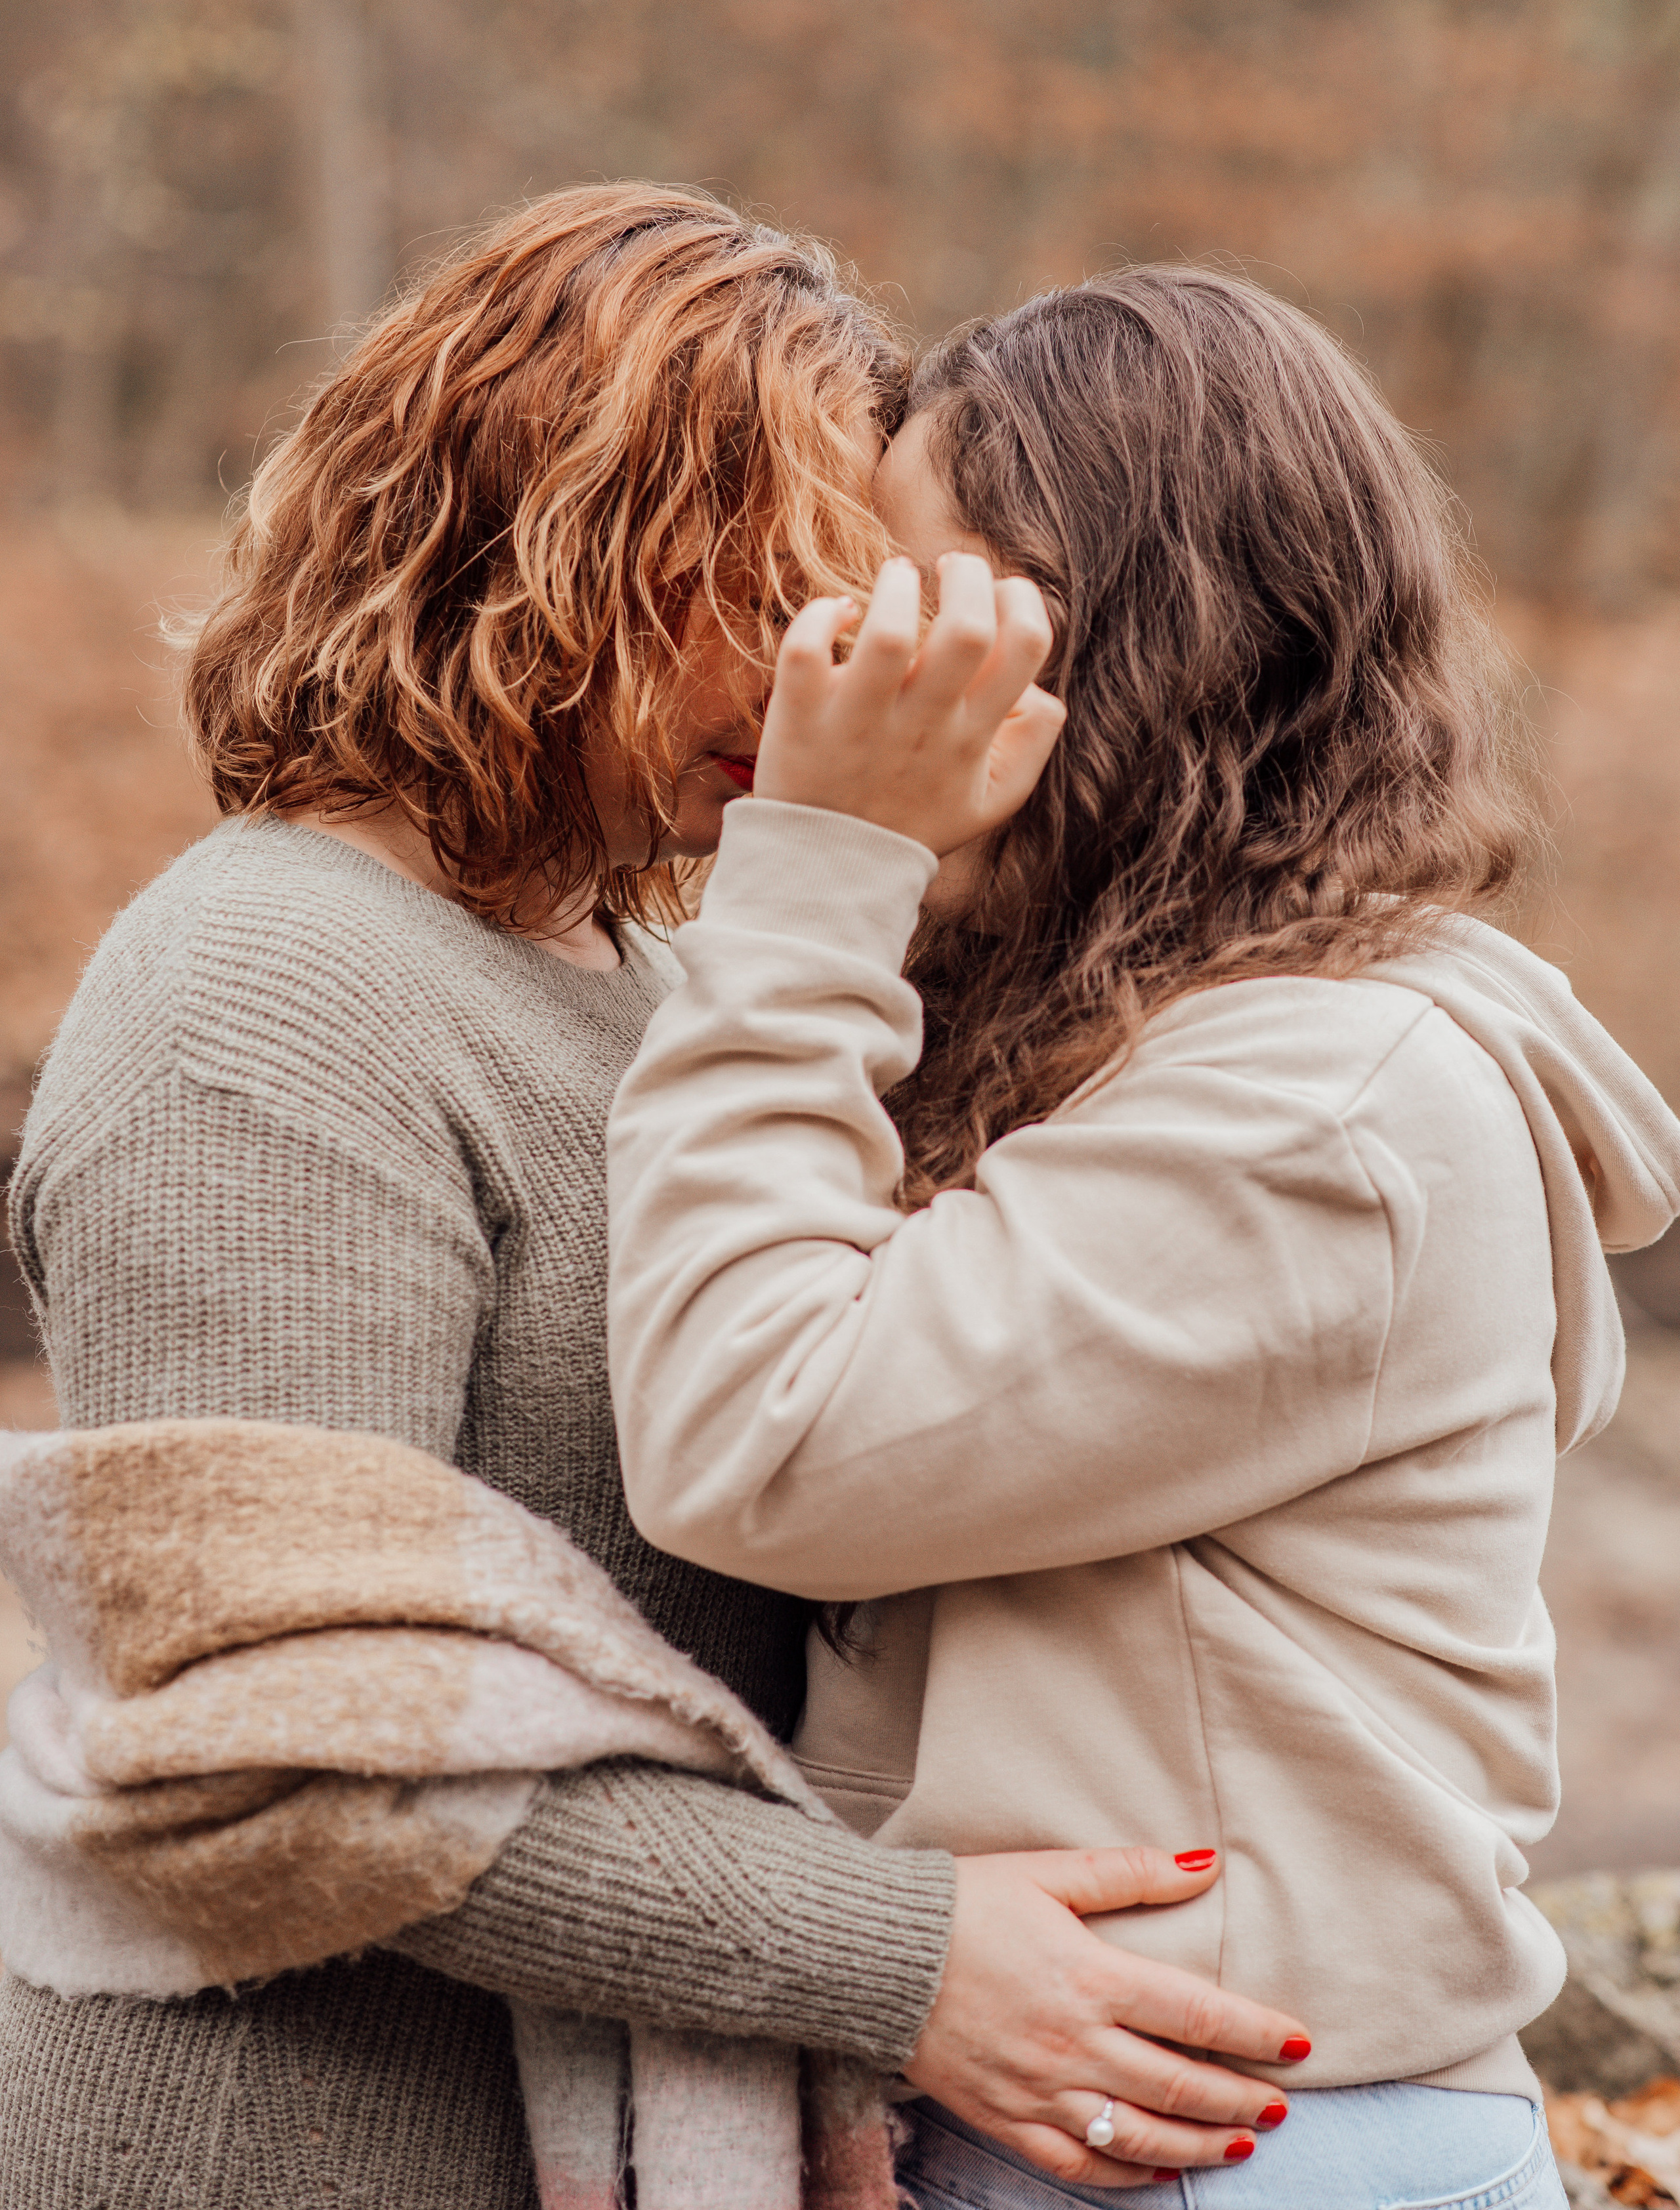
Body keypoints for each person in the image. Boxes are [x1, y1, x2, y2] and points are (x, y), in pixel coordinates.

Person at [0, 203, 1307, 2208]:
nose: (821, 662)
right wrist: (906, 1961)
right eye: (762, 585)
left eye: (848, 592)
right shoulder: (259, 986)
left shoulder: (675, 985)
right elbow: (276, 1743)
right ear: (543, 545)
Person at [605, 266, 1680, 2205]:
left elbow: (750, 1427)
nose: (836, 683)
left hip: (1223, 2152)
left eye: (921, 618)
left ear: (1133, 652)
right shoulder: (1171, 1044)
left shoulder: (1321, 1110)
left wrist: (825, 863)